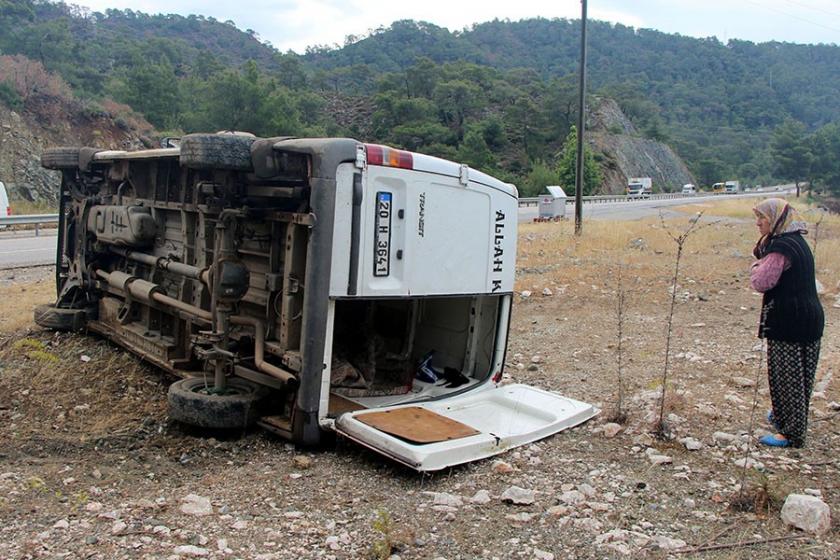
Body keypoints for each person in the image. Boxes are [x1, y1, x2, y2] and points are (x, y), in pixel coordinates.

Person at [750, 198, 824, 448]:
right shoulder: (797, 242)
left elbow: (762, 281)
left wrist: (756, 266)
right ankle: (786, 417)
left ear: (776, 219)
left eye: (763, 218)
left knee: (786, 376)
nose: (758, 223)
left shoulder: (781, 248)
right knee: (801, 376)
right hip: (809, 318)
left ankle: (792, 433)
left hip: (790, 321)